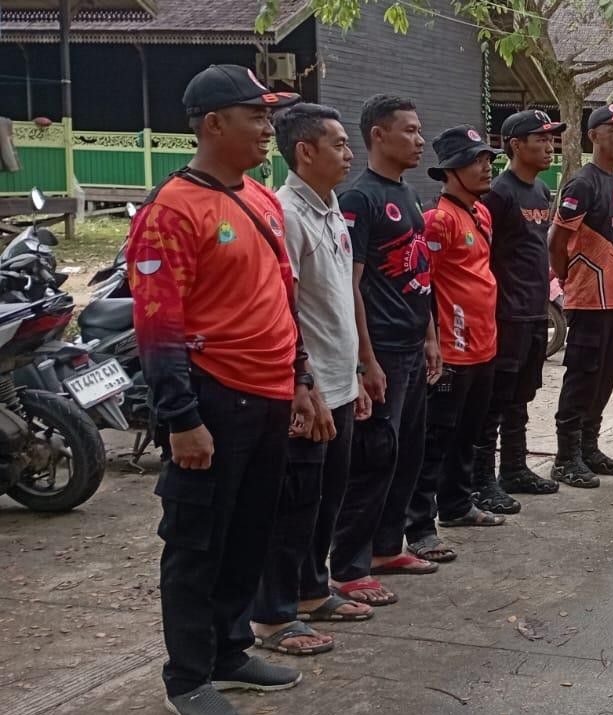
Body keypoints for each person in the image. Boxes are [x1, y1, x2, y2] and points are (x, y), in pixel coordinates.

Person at [127, 64, 307, 715]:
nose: (268, 129)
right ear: (213, 124)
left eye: (269, 116)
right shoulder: (171, 210)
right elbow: (158, 324)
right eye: (256, 117)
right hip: (213, 398)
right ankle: (188, 676)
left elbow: (282, 293)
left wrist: (301, 378)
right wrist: (181, 417)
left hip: (270, 394)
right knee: (197, 541)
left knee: (248, 532)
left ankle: (230, 651)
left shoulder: (259, 198)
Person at [250, 103, 375, 657]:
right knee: (294, 503)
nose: (349, 154)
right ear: (305, 151)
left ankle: (310, 590)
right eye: (339, 144)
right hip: (308, 388)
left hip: (340, 382)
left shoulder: (331, 209)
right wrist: (307, 384)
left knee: (326, 497)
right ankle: (273, 615)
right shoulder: (286, 214)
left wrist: (359, 370)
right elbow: (286, 306)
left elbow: (343, 297)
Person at [329, 95, 442, 608]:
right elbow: (351, 286)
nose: (420, 140)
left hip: (413, 347)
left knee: (408, 453)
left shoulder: (410, 195)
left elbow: (421, 274)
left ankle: (387, 547)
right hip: (383, 350)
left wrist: (431, 336)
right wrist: (366, 360)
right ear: (378, 134)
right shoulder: (360, 199)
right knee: (374, 456)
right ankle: (349, 567)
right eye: (410, 131)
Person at [404, 125, 507, 555]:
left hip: (484, 345)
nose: (485, 167)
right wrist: (433, 342)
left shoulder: (481, 213)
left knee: (469, 433)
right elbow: (422, 285)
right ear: (449, 171)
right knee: (435, 440)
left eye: (486, 159)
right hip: (452, 349)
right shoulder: (438, 220)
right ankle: (419, 526)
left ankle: (458, 505)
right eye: (473, 161)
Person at [472, 110, 568, 510]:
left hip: (534, 311)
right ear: (515, 145)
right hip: (505, 314)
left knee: (521, 396)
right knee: (495, 399)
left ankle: (514, 468)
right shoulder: (498, 194)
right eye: (540, 139)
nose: (549, 146)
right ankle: (481, 480)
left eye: (551, 138)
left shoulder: (541, 191)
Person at [547, 104, 613, 488]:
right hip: (588, 299)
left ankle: (589, 447)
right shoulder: (582, 184)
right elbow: (556, 241)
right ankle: (565, 458)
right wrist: (568, 278)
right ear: (593, 136)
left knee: (606, 374)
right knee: (582, 377)